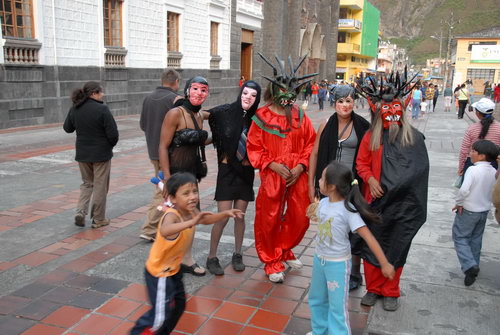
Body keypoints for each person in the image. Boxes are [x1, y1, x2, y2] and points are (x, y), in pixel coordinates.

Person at [131, 172, 244, 334]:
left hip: (173, 270)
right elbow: (165, 230)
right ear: (173, 198)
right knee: (159, 317)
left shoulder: (190, 211)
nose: (192, 197)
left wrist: (225, 213)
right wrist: (192, 222)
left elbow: (204, 219)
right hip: (160, 274)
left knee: (179, 305)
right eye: (186, 193)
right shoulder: (172, 215)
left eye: (194, 191)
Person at [356, 69, 429, 311]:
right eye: (386, 109)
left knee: (398, 244)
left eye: (395, 107)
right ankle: (373, 288)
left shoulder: (414, 138)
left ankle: (390, 290)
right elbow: (361, 163)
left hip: (404, 204)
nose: (391, 113)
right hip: (376, 202)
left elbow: (418, 171)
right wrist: (371, 180)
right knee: (373, 244)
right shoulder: (371, 136)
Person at [247, 53, 317, 283]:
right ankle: (271, 260)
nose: (288, 97)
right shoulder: (261, 116)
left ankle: (285, 248)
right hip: (273, 175)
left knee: (300, 216)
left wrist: (301, 166)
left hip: (297, 174)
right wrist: (273, 165)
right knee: (269, 218)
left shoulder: (300, 114)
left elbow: (310, 142)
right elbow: (254, 146)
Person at [307, 162, 395, 335]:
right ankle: (319, 331)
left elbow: (369, 237)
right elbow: (321, 217)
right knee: (316, 299)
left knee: (337, 308)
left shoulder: (348, 211)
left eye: (322, 178)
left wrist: (384, 263)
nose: (319, 180)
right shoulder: (324, 203)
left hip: (337, 265)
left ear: (331, 186)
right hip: (320, 260)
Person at [309, 84, 370, 291]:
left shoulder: (362, 125)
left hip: (352, 184)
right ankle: (331, 267)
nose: (345, 105)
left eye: (349, 101)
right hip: (329, 185)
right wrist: (312, 186)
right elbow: (315, 154)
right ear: (334, 103)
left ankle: (354, 272)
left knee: (354, 229)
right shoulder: (325, 124)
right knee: (331, 226)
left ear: (354, 103)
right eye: (341, 101)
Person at [206, 81, 262, 275]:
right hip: (227, 170)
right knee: (222, 217)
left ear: (257, 98)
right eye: (245, 93)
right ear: (240, 93)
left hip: (245, 173)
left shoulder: (258, 119)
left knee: (239, 216)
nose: (248, 97)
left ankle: (237, 254)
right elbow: (204, 114)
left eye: (253, 95)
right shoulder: (226, 111)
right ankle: (211, 257)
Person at [158, 76, 211, 276]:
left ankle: (186, 260)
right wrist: (167, 178)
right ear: (187, 90)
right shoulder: (175, 114)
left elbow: (195, 141)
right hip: (175, 173)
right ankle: (166, 259)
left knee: (192, 216)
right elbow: (163, 146)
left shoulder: (198, 116)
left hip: (191, 175)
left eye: (204, 90)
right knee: (171, 219)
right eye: (195, 88)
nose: (199, 93)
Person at [63, 81, 118, 228]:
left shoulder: (76, 107)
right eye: (101, 92)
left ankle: (81, 211)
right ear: (94, 93)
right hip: (101, 154)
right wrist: (108, 146)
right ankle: (99, 219)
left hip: (83, 153)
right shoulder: (102, 109)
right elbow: (113, 135)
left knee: (87, 183)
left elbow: (67, 128)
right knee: (100, 185)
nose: (103, 94)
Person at [139, 69, 181, 242]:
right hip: (169, 153)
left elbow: (143, 124)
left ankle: (165, 224)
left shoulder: (148, 98)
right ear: (176, 82)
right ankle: (149, 229)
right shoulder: (175, 100)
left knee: (163, 188)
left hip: (153, 149)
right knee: (162, 190)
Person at [452, 140, 498, 287]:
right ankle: (474, 268)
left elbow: (464, 190)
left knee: (460, 237)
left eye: (473, 151)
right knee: (476, 240)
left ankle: (469, 265)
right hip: (484, 211)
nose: (470, 153)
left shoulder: (472, 170)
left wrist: (459, 202)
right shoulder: (493, 171)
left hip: (468, 210)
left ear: (482, 156)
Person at [458, 98, 500, 177]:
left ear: (477, 113)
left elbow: (464, 150)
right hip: (493, 165)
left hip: (472, 163)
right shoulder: (499, 128)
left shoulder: (472, 128)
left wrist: (461, 167)